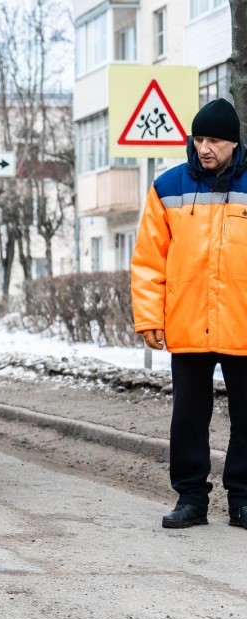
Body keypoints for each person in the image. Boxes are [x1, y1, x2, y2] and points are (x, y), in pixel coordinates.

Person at [131, 97, 247, 531]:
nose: (204, 147)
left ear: (233, 142)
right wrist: (149, 318)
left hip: (243, 325)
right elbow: (148, 262)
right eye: (198, 138)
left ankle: (243, 501)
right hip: (187, 323)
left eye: (214, 139)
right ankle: (191, 499)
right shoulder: (168, 187)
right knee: (188, 419)